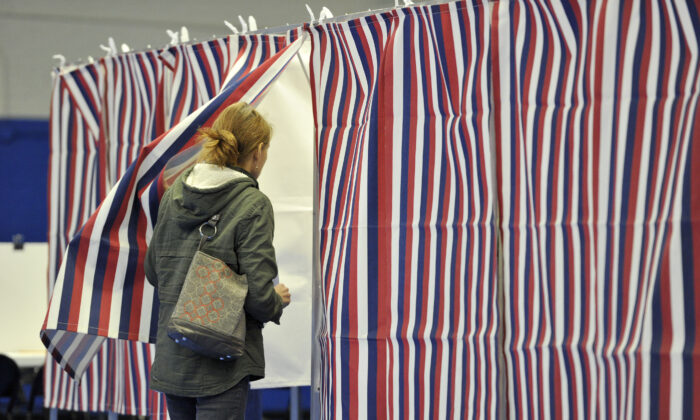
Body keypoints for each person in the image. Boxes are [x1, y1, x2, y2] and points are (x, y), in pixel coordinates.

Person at [144, 102, 291, 420]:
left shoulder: (173, 194)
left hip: (174, 355)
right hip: (222, 365)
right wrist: (275, 302)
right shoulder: (252, 203)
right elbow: (258, 297)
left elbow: (154, 271)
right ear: (258, 151)